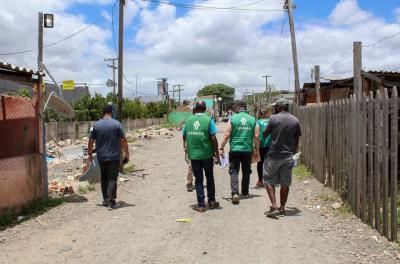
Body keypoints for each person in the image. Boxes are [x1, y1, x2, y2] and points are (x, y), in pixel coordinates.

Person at [263, 98, 301, 218]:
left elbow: (265, 134)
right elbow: (297, 139)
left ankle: (274, 205)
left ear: (278, 107)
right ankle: (283, 208)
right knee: (285, 182)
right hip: (288, 156)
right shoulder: (295, 120)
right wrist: (293, 152)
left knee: (268, 180)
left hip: (274, 155)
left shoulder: (273, 118)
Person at [88, 104, 129, 209]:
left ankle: (105, 199)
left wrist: (89, 153)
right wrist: (127, 154)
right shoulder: (116, 124)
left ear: (103, 113)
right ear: (111, 113)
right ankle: (111, 201)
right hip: (114, 157)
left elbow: (91, 140)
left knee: (104, 178)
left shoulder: (96, 125)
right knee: (112, 179)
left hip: (101, 157)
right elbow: (123, 140)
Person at [183, 100, 220, 212]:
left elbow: (184, 136)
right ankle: (212, 201)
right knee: (209, 177)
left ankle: (201, 205)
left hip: (194, 156)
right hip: (207, 155)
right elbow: (213, 138)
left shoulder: (188, 121)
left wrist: (185, 148)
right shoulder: (209, 120)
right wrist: (217, 154)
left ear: (196, 108)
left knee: (198, 180)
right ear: (204, 109)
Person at [220, 101, 259, 205]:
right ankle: (245, 192)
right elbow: (256, 136)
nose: (234, 109)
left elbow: (227, 134)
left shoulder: (232, 119)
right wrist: (257, 149)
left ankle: (235, 193)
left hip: (235, 150)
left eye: (235, 107)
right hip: (247, 150)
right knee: (246, 170)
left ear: (239, 107)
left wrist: (221, 147)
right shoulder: (252, 119)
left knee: (234, 171)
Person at [256, 109, 271, 187]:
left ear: (260, 114)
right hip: (270, 145)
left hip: (261, 145)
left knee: (260, 163)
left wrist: (255, 146)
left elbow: (256, 135)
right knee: (269, 163)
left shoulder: (258, 122)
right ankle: (269, 180)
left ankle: (260, 180)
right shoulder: (270, 121)